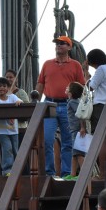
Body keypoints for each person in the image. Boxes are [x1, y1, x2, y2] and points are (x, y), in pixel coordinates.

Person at [35, 36, 86, 178]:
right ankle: (49, 173)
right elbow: (40, 84)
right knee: (47, 140)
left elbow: (81, 87)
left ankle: (67, 173)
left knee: (68, 141)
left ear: (69, 47)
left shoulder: (75, 65)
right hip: (49, 104)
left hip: (68, 105)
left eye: (62, 43)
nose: (58, 45)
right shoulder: (47, 64)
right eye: (57, 43)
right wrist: (36, 104)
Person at [0, 77, 23, 176]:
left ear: (8, 88)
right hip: (2, 131)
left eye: (4, 86)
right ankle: (7, 170)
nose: (2, 88)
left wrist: (18, 102)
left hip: (13, 130)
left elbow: (20, 101)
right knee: (7, 149)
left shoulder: (12, 97)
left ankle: (16, 170)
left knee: (15, 150)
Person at [64, 82, 86, 181]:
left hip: (78, 131)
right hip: (74, 130)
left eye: (68, 87)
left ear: (71, 92)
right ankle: (72, 175)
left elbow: (80, 114)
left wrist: (82, 127)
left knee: (79, 154)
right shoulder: (74, 101)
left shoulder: (72, 102)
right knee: (74, 154)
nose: (66, 88)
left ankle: (84, 174)